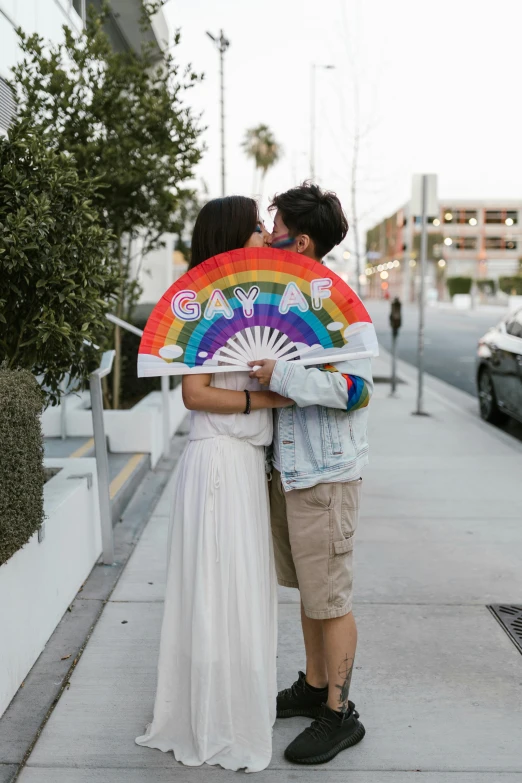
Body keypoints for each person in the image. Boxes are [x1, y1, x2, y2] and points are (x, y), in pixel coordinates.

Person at [135, 196, 291, 773]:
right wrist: (262, 398)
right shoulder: (205, 305)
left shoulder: (258, 301)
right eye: (256, 227)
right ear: (232, 235)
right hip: (218, 461)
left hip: (245, 462)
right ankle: (214, 719)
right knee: (219, 592)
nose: (263, 236)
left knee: (241, 592)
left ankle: (232, 708)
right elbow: (195, 393)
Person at [249, 182, 373, 765]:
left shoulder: (337, 306)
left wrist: (283, 375)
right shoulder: (276, 300)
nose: (267, 241)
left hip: (326, 475)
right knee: (308, 592)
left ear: (301, 241)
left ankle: (340, 713)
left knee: (332, 598)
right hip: (290, 472)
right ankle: (314, 685)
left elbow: (355, 391)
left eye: (275, 233)